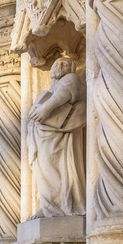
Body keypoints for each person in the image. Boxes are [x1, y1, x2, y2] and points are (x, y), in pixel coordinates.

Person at [28, 57, 87, 218]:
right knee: (44, 172)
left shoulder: (70, 79)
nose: (61, 65)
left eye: (66, 64)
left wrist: (45, 109)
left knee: (55, 169)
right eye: (58, 63)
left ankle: (59, 206)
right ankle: (48, 206)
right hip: (44, 135)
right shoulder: (53, 87)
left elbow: (63, 94)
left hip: (57, 137)